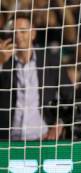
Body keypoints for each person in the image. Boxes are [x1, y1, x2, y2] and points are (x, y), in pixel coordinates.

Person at [0, 12, 73, 140]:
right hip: (8, 139)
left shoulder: (51, 62)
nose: (18, 36)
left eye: (23, 31)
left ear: (33, 33)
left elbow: (70, 96)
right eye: (14, 32)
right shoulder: (4, 62)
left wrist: (60, 124)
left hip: (42, 138)